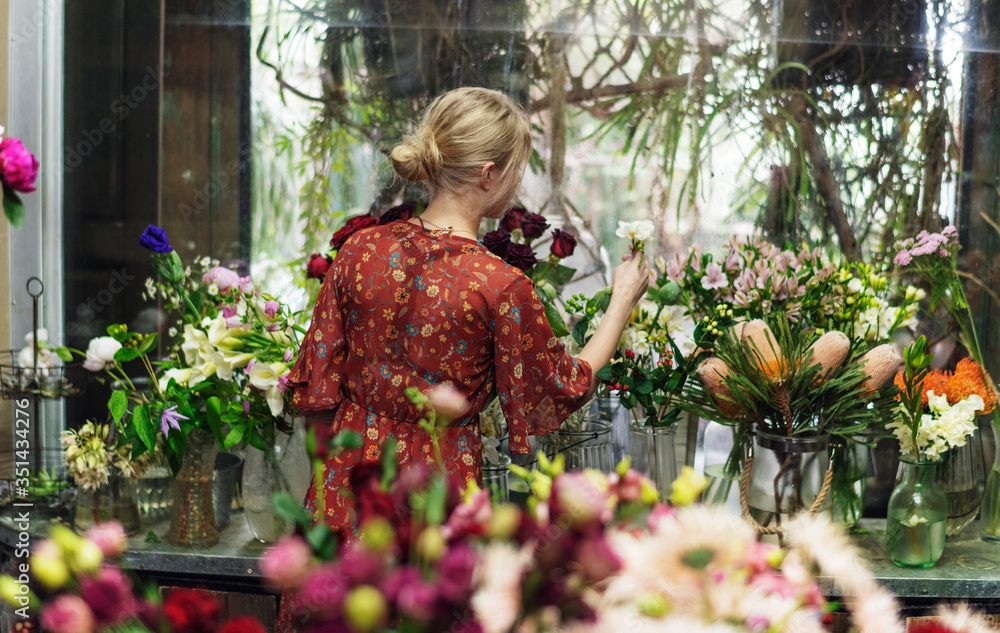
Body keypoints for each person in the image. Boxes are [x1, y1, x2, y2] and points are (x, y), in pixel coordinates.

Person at [286, 86, 650, 530]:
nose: (518, 183)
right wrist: (621, 302)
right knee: (426, 593)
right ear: (488, 174)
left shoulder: (361, 249)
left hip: (344, 487)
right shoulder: (499, 285)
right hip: (433, 490)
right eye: (516, 170)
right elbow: (564, 384)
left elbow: (317, 390)